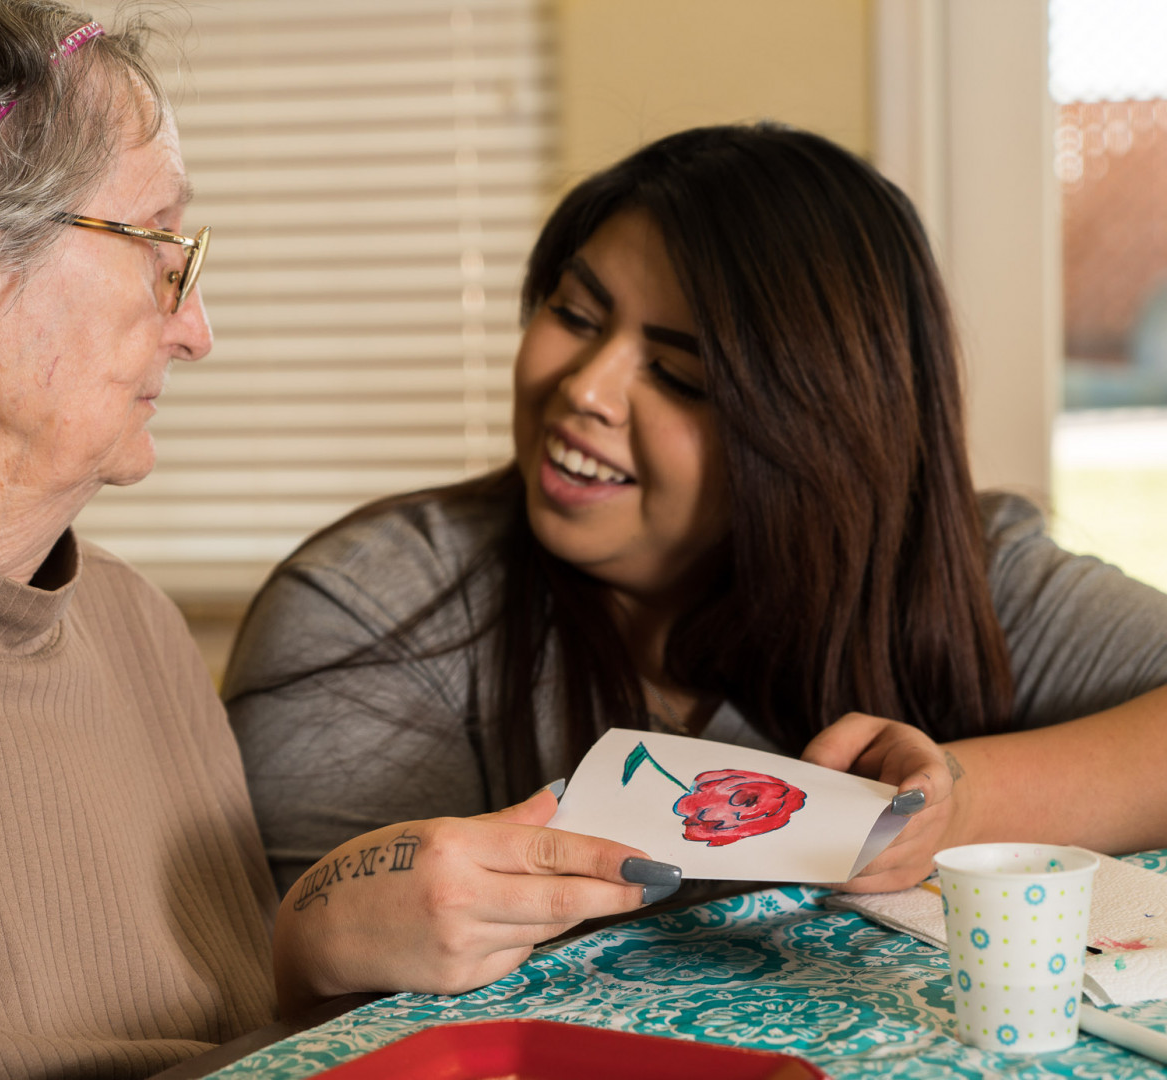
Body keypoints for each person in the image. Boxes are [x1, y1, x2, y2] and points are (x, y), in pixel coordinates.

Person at [0, 2, 675, 1076]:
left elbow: (236, 1042)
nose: (197, 328)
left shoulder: (137, 630)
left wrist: (328, 952)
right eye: (159, 249)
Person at [224, 123, 1167, 904]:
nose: (585, 389)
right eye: (575, 315)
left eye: (679, 375)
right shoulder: (369, 611)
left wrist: (958, 806)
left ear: (825, 435)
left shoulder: (960, 572)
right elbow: (320, 1000)